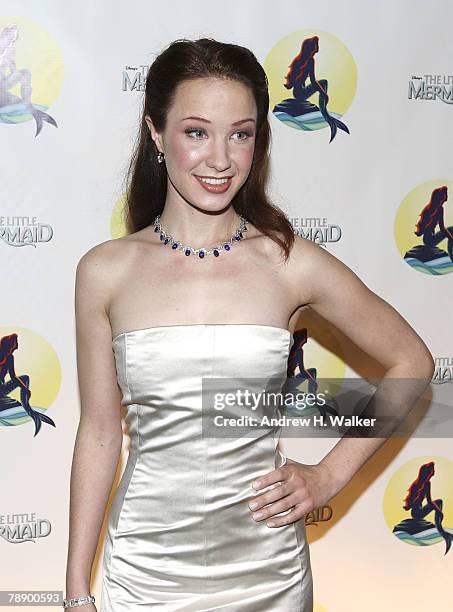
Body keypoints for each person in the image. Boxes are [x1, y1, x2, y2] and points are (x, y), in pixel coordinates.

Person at [63, 38, 435, 611]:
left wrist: (329, 476)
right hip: (143, 572)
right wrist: (75, 592)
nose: (220, 158)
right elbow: (98, 434)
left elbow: (412, 362)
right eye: (196, 132)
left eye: (240, 133)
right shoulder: (105, 272)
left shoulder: (289, 262)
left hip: (268, 575)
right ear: (156, 134)